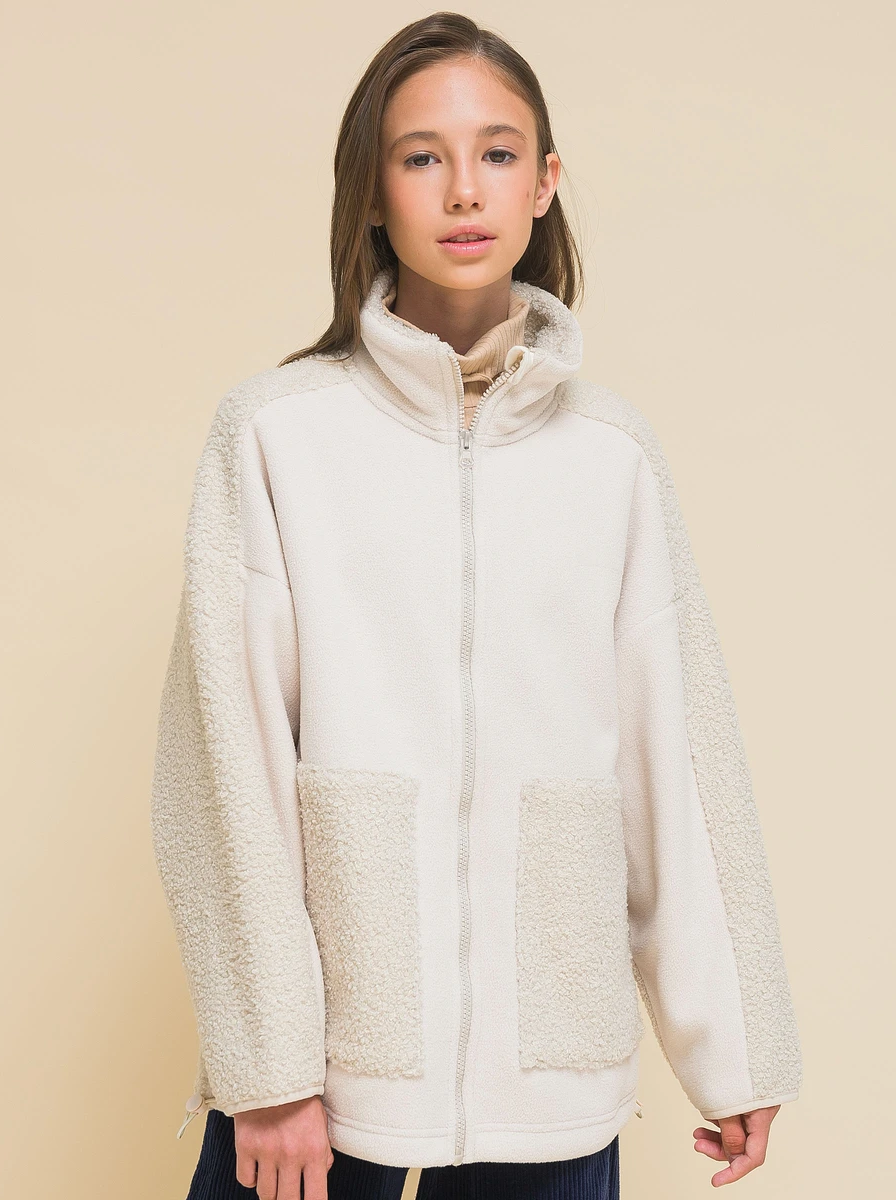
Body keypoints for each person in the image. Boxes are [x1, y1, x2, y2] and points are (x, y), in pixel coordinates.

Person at [150, 12, 802, 1200]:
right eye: (421, 156)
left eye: (498, 153)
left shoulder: (611, 456)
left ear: (545, 183)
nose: (464, 189)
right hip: (328, 1073)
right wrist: (270, 1069)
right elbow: (221, 773)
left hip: (552, 1072)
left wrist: (735, 1048)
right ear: (372, 191)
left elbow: (678, 755)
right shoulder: (277, 435)